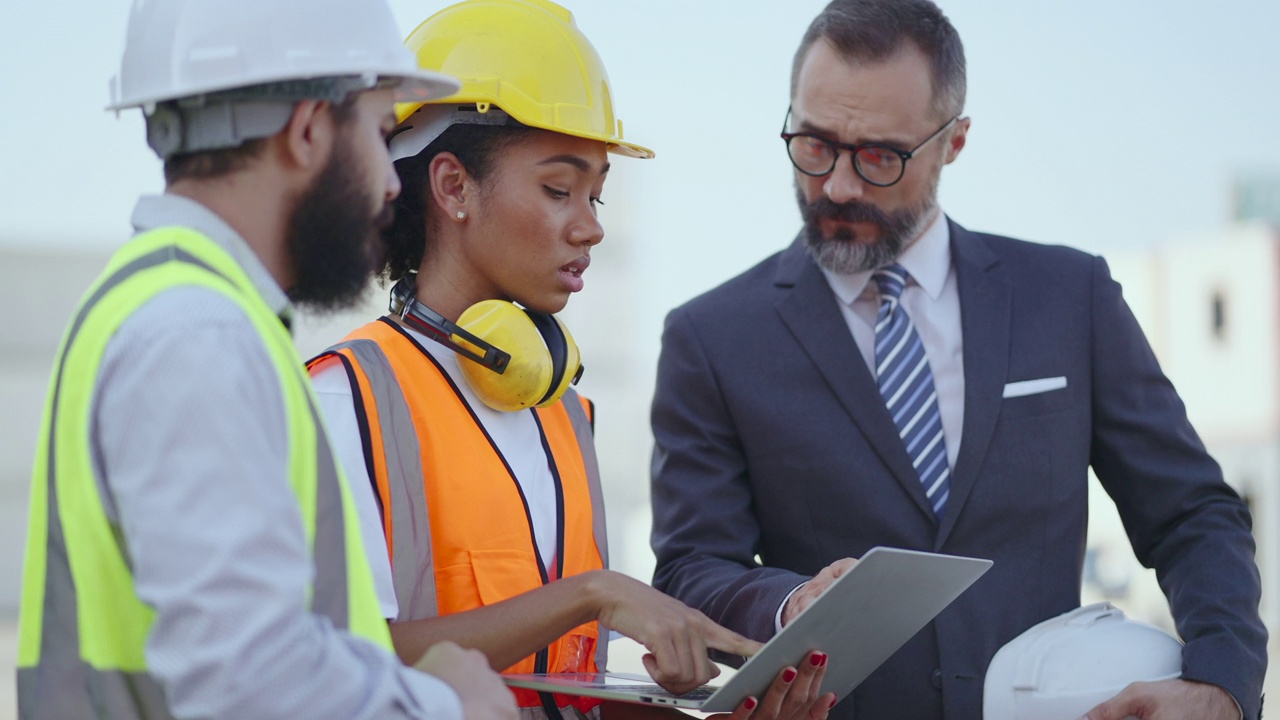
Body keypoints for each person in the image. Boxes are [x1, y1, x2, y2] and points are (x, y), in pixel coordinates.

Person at [647, 1, 1267, 720]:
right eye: (814, 145)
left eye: (879, 155)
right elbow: (692, 568)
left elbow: (1191, 512)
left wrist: (1221, 684)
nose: (839, 186)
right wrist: (792, 603)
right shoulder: (712, 337)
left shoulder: (1069, 298)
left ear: (955, 142)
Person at [307, 2, 836, 720]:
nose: (590, 227)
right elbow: (337, 662)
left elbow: (565, 695)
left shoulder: (563, 412)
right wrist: (596, 593)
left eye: (596, 194)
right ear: (454, 187)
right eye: (559, 189)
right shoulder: (348, 399)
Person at [15, 1, 518, 719]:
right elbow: (250, 683)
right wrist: (448, 703)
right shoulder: (195, 336)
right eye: (380, 135)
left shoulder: (166, 308)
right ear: (309, 129)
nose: (391, 182)